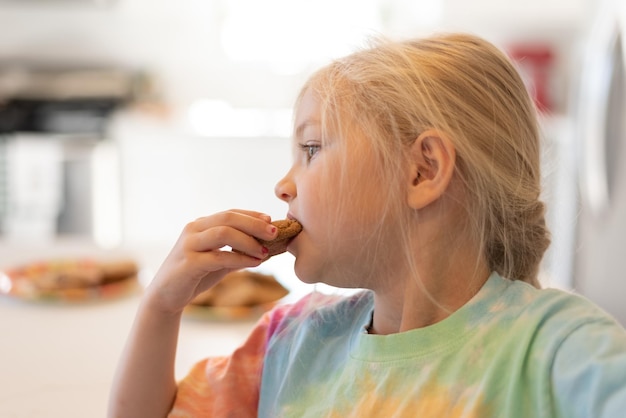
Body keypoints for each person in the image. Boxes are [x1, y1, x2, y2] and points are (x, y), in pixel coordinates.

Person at [108, 33, 626, 417]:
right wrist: (161, 306)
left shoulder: (557, 350)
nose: (283, 186)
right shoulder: (292, 344)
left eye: (311, 150)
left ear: (422, 171)